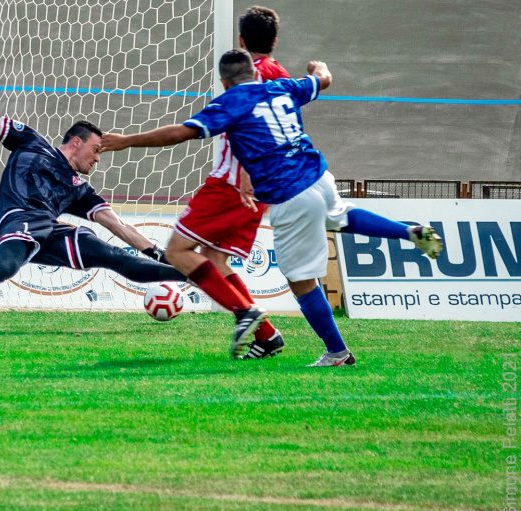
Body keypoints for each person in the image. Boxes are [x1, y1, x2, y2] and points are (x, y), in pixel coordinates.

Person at [102, 50, 444, 367]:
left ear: (224, 82)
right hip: (319, 176)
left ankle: (336, 352)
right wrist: (317, 67)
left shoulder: (233, 101)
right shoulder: (282, 87)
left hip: (290, 195)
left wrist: (126, 141)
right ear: (255, 72)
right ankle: (408, 230)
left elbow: (180, 132)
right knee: (340, 216)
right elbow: (323, 79)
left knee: (301, 282)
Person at [0, 63, 189, 332]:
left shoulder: (80, 188)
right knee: (5, 267)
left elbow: (119, 226)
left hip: (51, 233)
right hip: (18, 220)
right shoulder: (32, 142)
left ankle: (194, 277)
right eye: (95, 150)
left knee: (114, 255)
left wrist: (159, 254)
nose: (97, 159)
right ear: (76, 142)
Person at [159, 6, 291, 360]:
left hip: (235, 184)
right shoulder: (280, 73)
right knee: (213, 258)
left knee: (177, 252)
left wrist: (247, 173)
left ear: (241, 41)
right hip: (256, 184)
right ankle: (267, 335)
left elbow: (252, 127)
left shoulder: (253, 75)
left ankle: (246, 313)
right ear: (275, 41)